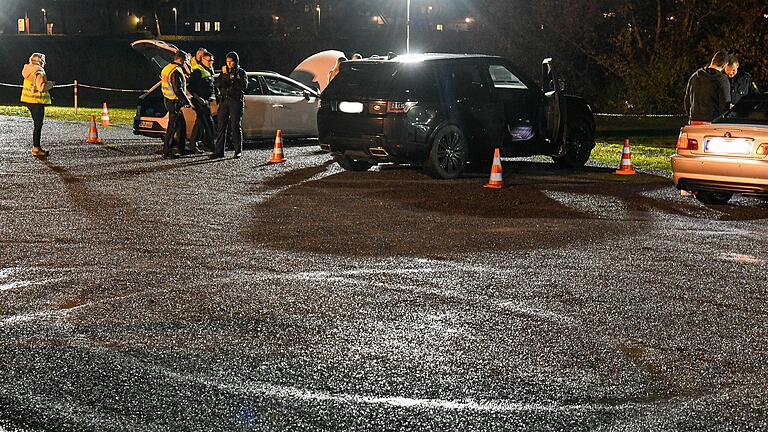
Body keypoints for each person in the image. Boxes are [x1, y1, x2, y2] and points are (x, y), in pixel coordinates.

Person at [212, 51, 248, 159]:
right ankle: (219, 151)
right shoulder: (224, 72)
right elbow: (217, 83)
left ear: (236, 62)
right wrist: (224, 79)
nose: (229, 64)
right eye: (227, 61)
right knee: (221, 126)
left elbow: (243, 86)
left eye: (231, 61)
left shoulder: (241, 72)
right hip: (224, 101)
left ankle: (238, 150)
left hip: (235, 101)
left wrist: (232, 82)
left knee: (235, 126)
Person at [21, 52, 54, 158]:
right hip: (37, 101)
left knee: (37, 125)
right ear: (40, 61)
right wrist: (50, 84)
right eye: (43, 61)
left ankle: (36, 147)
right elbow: (41, 88)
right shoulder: (39, 71)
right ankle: (36, 148)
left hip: (28, 100)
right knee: (38, 125)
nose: (45, 63)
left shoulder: (28, 69)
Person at [684, 51, 731, 124]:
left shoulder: (695, 76)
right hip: (713, 123)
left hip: (694, 122)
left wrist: (691, 116)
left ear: (713, 60)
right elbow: (725, 106)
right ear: (725, 65)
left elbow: (687, 101)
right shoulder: (722, 80)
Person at [160, 50, 192, 158]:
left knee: (181, 125)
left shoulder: (167, 68)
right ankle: (167, 151)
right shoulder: (176, 70)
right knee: (172, 127)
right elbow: (178, 89)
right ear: (181, 59)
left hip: (168, 100)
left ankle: (181, 149)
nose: (186, 63)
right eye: (186, 60)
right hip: (174, 102)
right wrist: (186, 101)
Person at [188, 50, 217, 152]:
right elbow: (190, 87)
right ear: (202, 60)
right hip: (200, 101)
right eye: (208, 60)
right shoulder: (197, 71)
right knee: (208, 122)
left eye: (212, 61)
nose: (210, 62)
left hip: (206, 101)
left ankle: (192, 145)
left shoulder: (209, 71)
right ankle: (213, 147)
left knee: (200, 122)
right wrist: (198, 98)